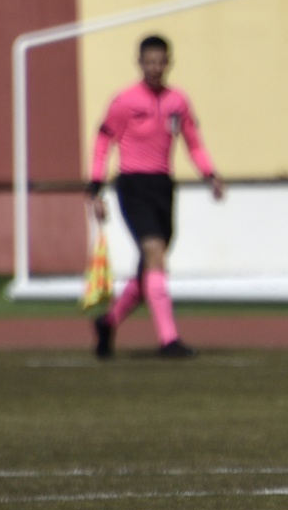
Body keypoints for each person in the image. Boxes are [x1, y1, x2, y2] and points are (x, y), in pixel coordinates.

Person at [86, 34, 225, 359]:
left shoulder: (178, 101)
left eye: (160, 62)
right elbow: (103, 142)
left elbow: (194, 143)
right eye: (149, 62)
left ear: (168, 63)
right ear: (140, 63)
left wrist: (211, 175)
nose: (155, 68)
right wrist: (95, 187)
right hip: (133, 186)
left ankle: (108, 322)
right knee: (154, 253)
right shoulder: (124, 101)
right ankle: (169, 340)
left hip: (163, 186)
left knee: (149, 268)